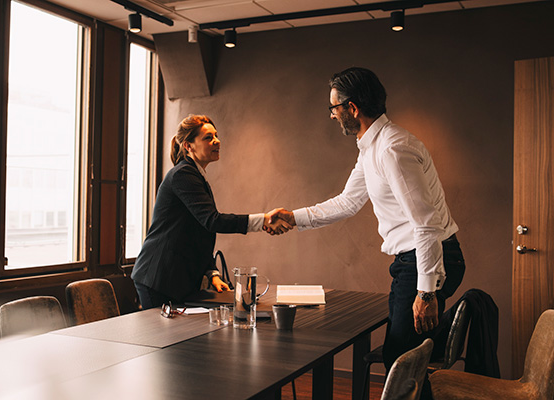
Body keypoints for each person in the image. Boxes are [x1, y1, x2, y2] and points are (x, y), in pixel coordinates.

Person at [268, 67, 465, 381]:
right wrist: (294, 218)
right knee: (405, 361)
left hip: (423, 259)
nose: (332, 116)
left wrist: (426, 294)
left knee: (400, 363)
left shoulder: (392, 150)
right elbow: (348, 202)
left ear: (352, 108)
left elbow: (426, 225)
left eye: (334, 108)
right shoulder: (372, 148)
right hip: (414, 260)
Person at [131, 115, 291, 310]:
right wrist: (264, 219)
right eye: (208, 137)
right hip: (159, 277)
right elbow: (212, 221)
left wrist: (212, 273)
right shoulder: (183, 174)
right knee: (162, 340)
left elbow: (198, 231)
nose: (217, 141)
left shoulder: (195, 175)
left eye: (216, 135)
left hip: (176, 278)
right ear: (188, 146)